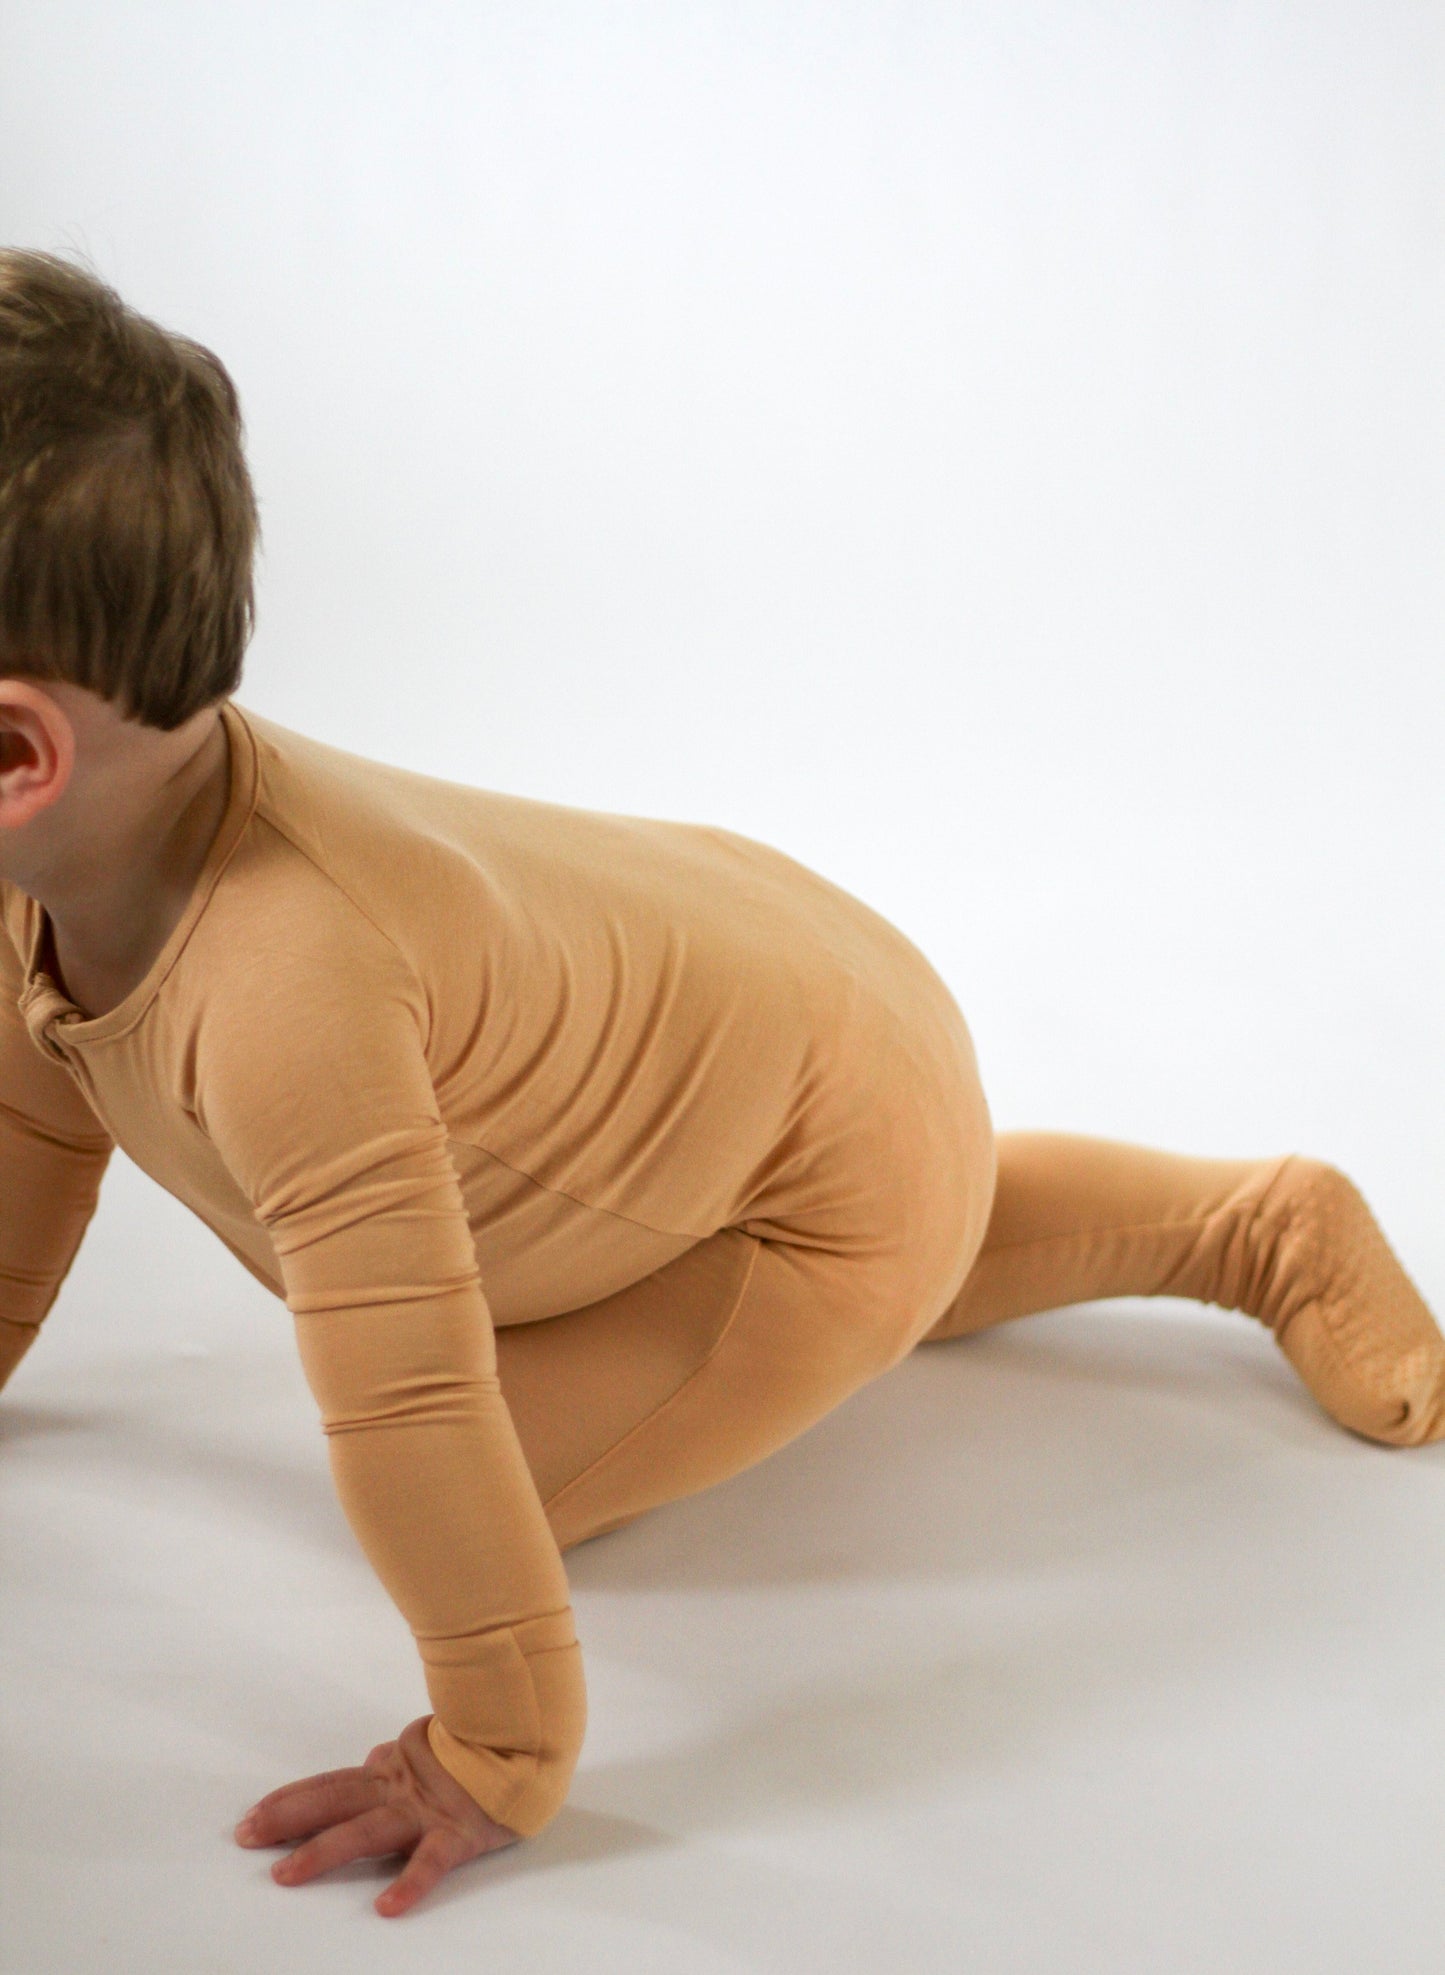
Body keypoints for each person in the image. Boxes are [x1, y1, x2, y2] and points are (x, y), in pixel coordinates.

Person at [1, 248, 1441, 1923]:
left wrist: (495, 1748)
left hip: (820, 1156)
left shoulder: (282, 1003)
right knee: (783, 1214)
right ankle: (1010, 1209)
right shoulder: (65, 866)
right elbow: (40, 1110)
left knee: (493, 1468)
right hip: (766, 999)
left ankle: (1241, 1228)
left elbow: (411, 1405)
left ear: (20, 753)